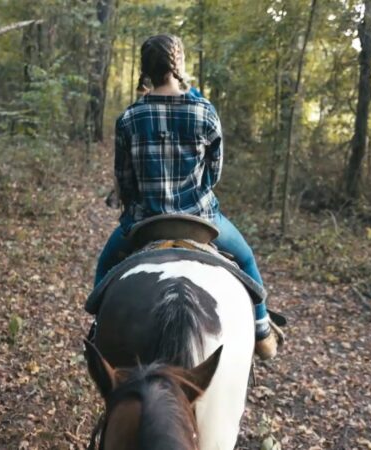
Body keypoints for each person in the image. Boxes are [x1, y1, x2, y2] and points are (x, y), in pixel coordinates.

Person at [94, 34, 281, 360]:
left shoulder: (129, 118)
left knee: (106, 264)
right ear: (176, 65)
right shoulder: (204, 112)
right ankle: (262, 330)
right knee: (247, 259)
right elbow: (213, 174)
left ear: (146, 69)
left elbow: (125, 179)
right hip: (200, 219)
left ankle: (99, 327)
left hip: (145, 222)